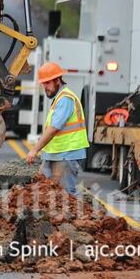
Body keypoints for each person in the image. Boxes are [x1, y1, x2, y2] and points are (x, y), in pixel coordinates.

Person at [25, 62, 89, 195]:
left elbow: (53, 129)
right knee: (44, 191)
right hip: (56, 154)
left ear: (58, 80)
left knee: (66, 196)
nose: (45, 87)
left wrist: (35, 150)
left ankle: (75, 215)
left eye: (47, 83)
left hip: (66, 154)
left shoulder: (65, 99)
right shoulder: (59, 99)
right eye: (43, 84)